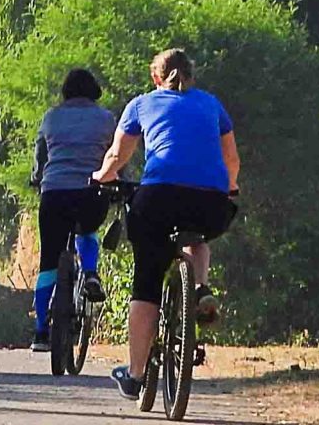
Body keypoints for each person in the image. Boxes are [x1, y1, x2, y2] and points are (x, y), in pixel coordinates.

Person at [91, 48, 241, 401]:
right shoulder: (212, 105)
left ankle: (136, 375)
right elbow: (231, 159)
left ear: (155, 77)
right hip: (210, 203)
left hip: (159, 198)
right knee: (198, 235)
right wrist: (229, 187)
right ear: (192, 75)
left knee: (147, 282)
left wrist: (101, 177)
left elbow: (117, 156)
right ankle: (200, 287)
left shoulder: (142, 104)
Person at [28, 67, 116, 352]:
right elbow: (115, 156)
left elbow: (40, 157)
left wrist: (37, 178)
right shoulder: (106, 119)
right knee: (87, 230)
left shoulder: (51, 117)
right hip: (91, 193)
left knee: (49, 262)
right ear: (94, 92)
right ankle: (90, 272)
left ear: (65, 92)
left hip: (54, 194)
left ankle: (41, 332)